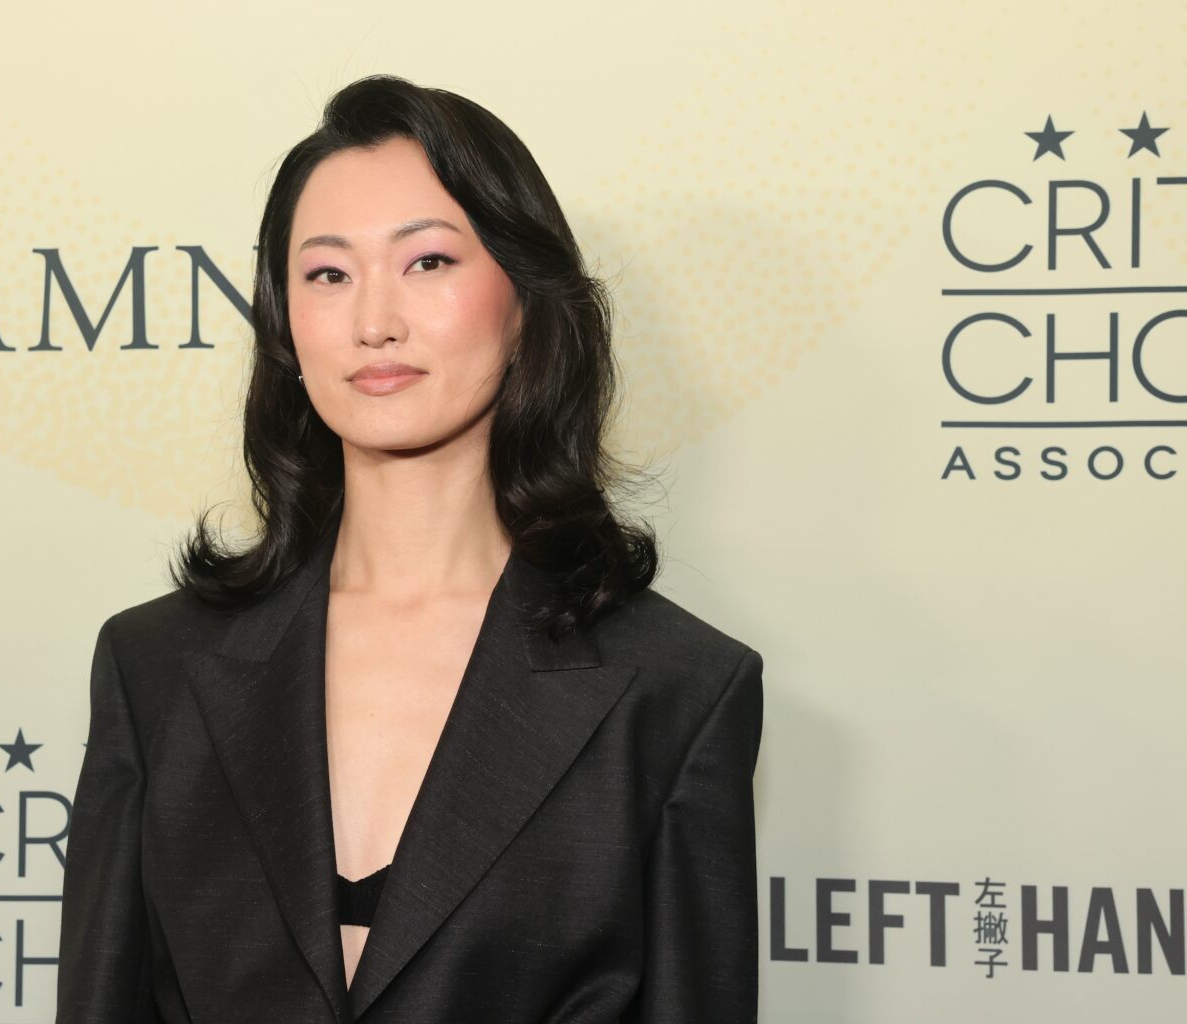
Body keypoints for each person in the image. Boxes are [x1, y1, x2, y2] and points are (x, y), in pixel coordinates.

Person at [55, 73, 764, 1024]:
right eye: (327, 273)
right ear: (284, 324)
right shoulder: (155, 670)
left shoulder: (677, 694)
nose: (372, 320)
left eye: (427, 263)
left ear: (525, 301)